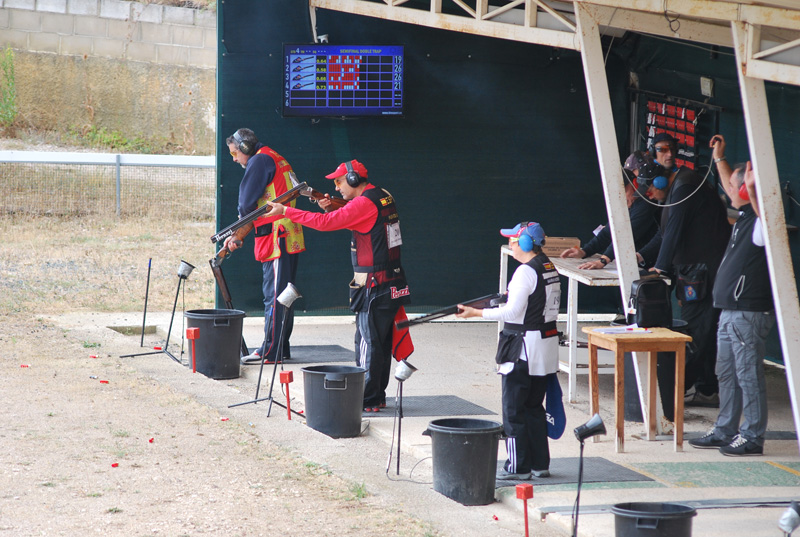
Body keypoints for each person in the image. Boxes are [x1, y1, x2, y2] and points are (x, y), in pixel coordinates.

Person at [260, 159, 410, 412]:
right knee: (381, 343)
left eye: (339, 181)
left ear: (353, 180)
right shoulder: (382, 195)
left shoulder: (362, 203)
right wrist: (332, 208)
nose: (337, 187)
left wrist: (285, 211)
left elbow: (325, 224)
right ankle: (376, 397)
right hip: (392, 281)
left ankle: (364, 399)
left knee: (367, 342)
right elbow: (360, 222)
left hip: (374, 284)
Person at [689, 138, 775, 456]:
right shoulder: (742, 216)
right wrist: (719, 158)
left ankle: (752, 436)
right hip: (729, 310)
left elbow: (755, 201)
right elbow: (731, 185)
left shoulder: (762, 221)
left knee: (747, 374)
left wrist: (752, 188)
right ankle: (726, 429)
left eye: (738, 189)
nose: (730, 191)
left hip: (747, 311)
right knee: (725, 371)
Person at [456, 222, 561, 480]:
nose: (510, 245)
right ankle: (539, 464)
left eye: (513, 240)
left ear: (525, 244)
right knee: (534, 407)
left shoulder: (525, 272)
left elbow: (513, 312)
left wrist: (477, 313)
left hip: (523, 349)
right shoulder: (548, 266)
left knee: (513, 410)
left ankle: (518, 467)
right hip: (543, 348)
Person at [636, 133, 731, 409]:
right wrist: (644, 256)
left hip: (703, 272)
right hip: (697, 269)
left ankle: (672, 390)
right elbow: (665, 234)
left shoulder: (684, 187)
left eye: (649, 191)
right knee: (705, 330)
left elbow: (673, 232)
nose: (650, 197)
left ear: (659, 182)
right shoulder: (676, 189)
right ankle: (706, 387)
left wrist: (661, 270)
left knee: (693, 332)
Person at [223, 128, 305, 366]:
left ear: (245, 149)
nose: (235, 159)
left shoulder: (259, 160)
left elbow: (246, 203)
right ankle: (281, 346)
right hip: (288, 234)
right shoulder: (274, 156)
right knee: (284, 294)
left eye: (235, 153)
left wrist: (238, 233)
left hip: (276, 235)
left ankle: (270, 350)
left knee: (275, 296)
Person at [560, 151, 659, 270]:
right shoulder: (630, 204)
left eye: (623, 192)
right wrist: (584, 251)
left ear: (635, 185)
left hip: (655, 265)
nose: (620, 198)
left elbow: (628, 234)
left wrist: (604, 259)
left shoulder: (647, 202)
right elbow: (609, 232)